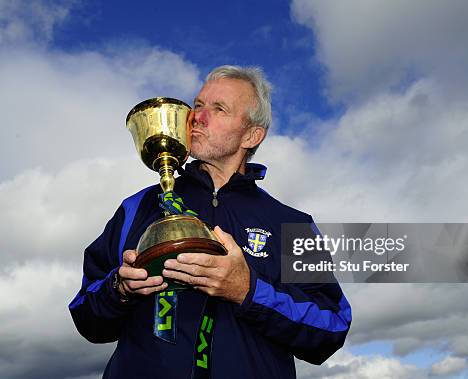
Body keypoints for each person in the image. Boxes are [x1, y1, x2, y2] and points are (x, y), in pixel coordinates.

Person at [69, 65, 351, 378]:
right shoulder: (138, 206)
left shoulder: (291, 223)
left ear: (251, 135)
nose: (197, 117)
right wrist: (118, 289)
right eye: (199, 105)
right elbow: (86, 317)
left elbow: (331, 328)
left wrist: (247, 290)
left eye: (219, 109)